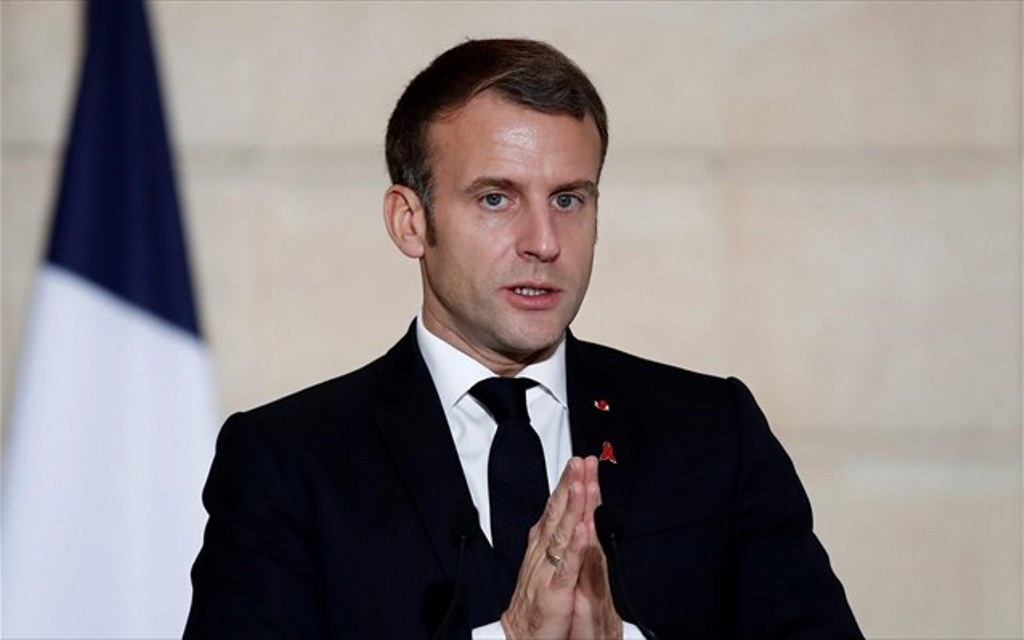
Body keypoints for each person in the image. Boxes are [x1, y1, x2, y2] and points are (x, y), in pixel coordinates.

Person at [184, 39, 862, 639]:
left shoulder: (714, 432)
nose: (543, 242)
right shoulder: (287, 461)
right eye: (496, 198)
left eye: (569, 199)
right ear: (410, 221)